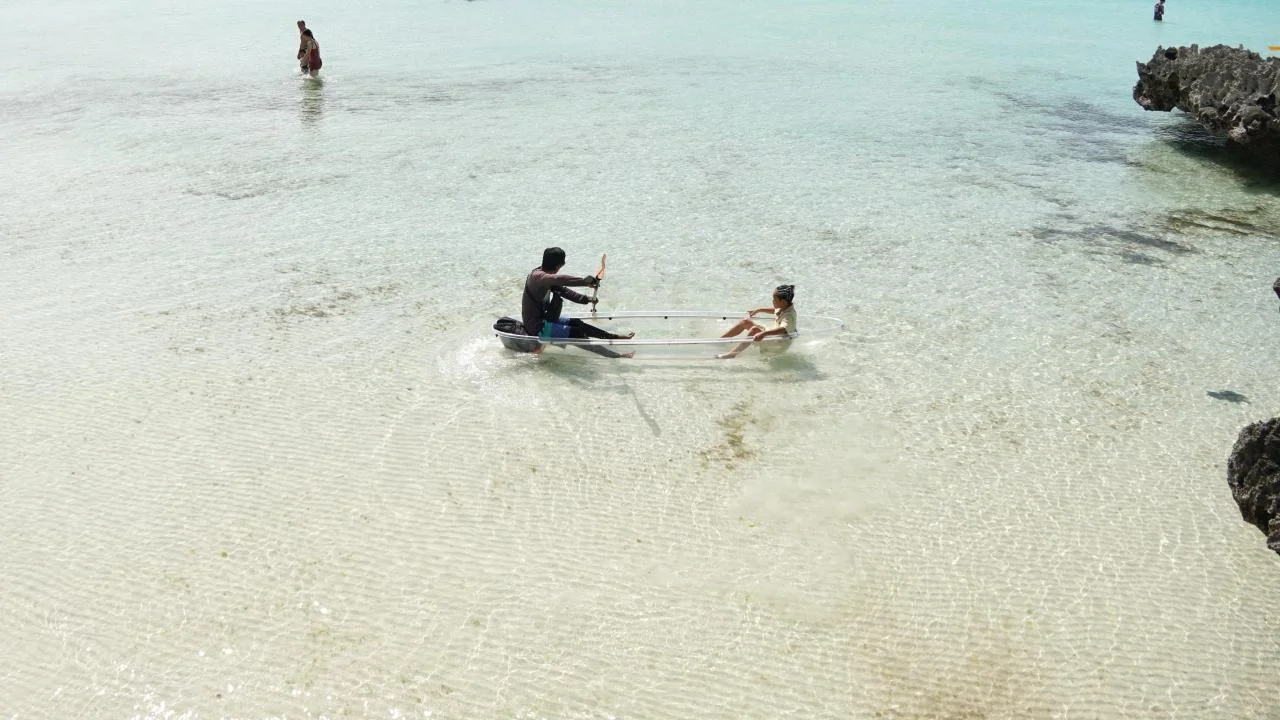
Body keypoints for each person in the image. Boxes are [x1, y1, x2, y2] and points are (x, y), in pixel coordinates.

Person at [521, 247, 636, 358]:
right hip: (537, 328)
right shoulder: (538, 277)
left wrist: (589, 299)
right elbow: (559, 279)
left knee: (577, 323)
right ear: (558, 266)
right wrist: (585, 281)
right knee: (576, 333)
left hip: (545, 320)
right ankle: (615, 356)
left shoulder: (545, 277)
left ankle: (613, 338)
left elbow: (565, 291)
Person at [715, 284, 798, 359]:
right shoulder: (785, 307)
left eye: (774, 300)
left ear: (783, 302)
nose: (772, 301)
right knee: (745, 322)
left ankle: (732, 354)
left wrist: (763, 333)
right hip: (773, 336)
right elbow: (775, 310)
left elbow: (783, 329)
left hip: (777, 344)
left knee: (755, 330)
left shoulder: (789, 316)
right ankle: (720, 341)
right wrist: (759, 310)